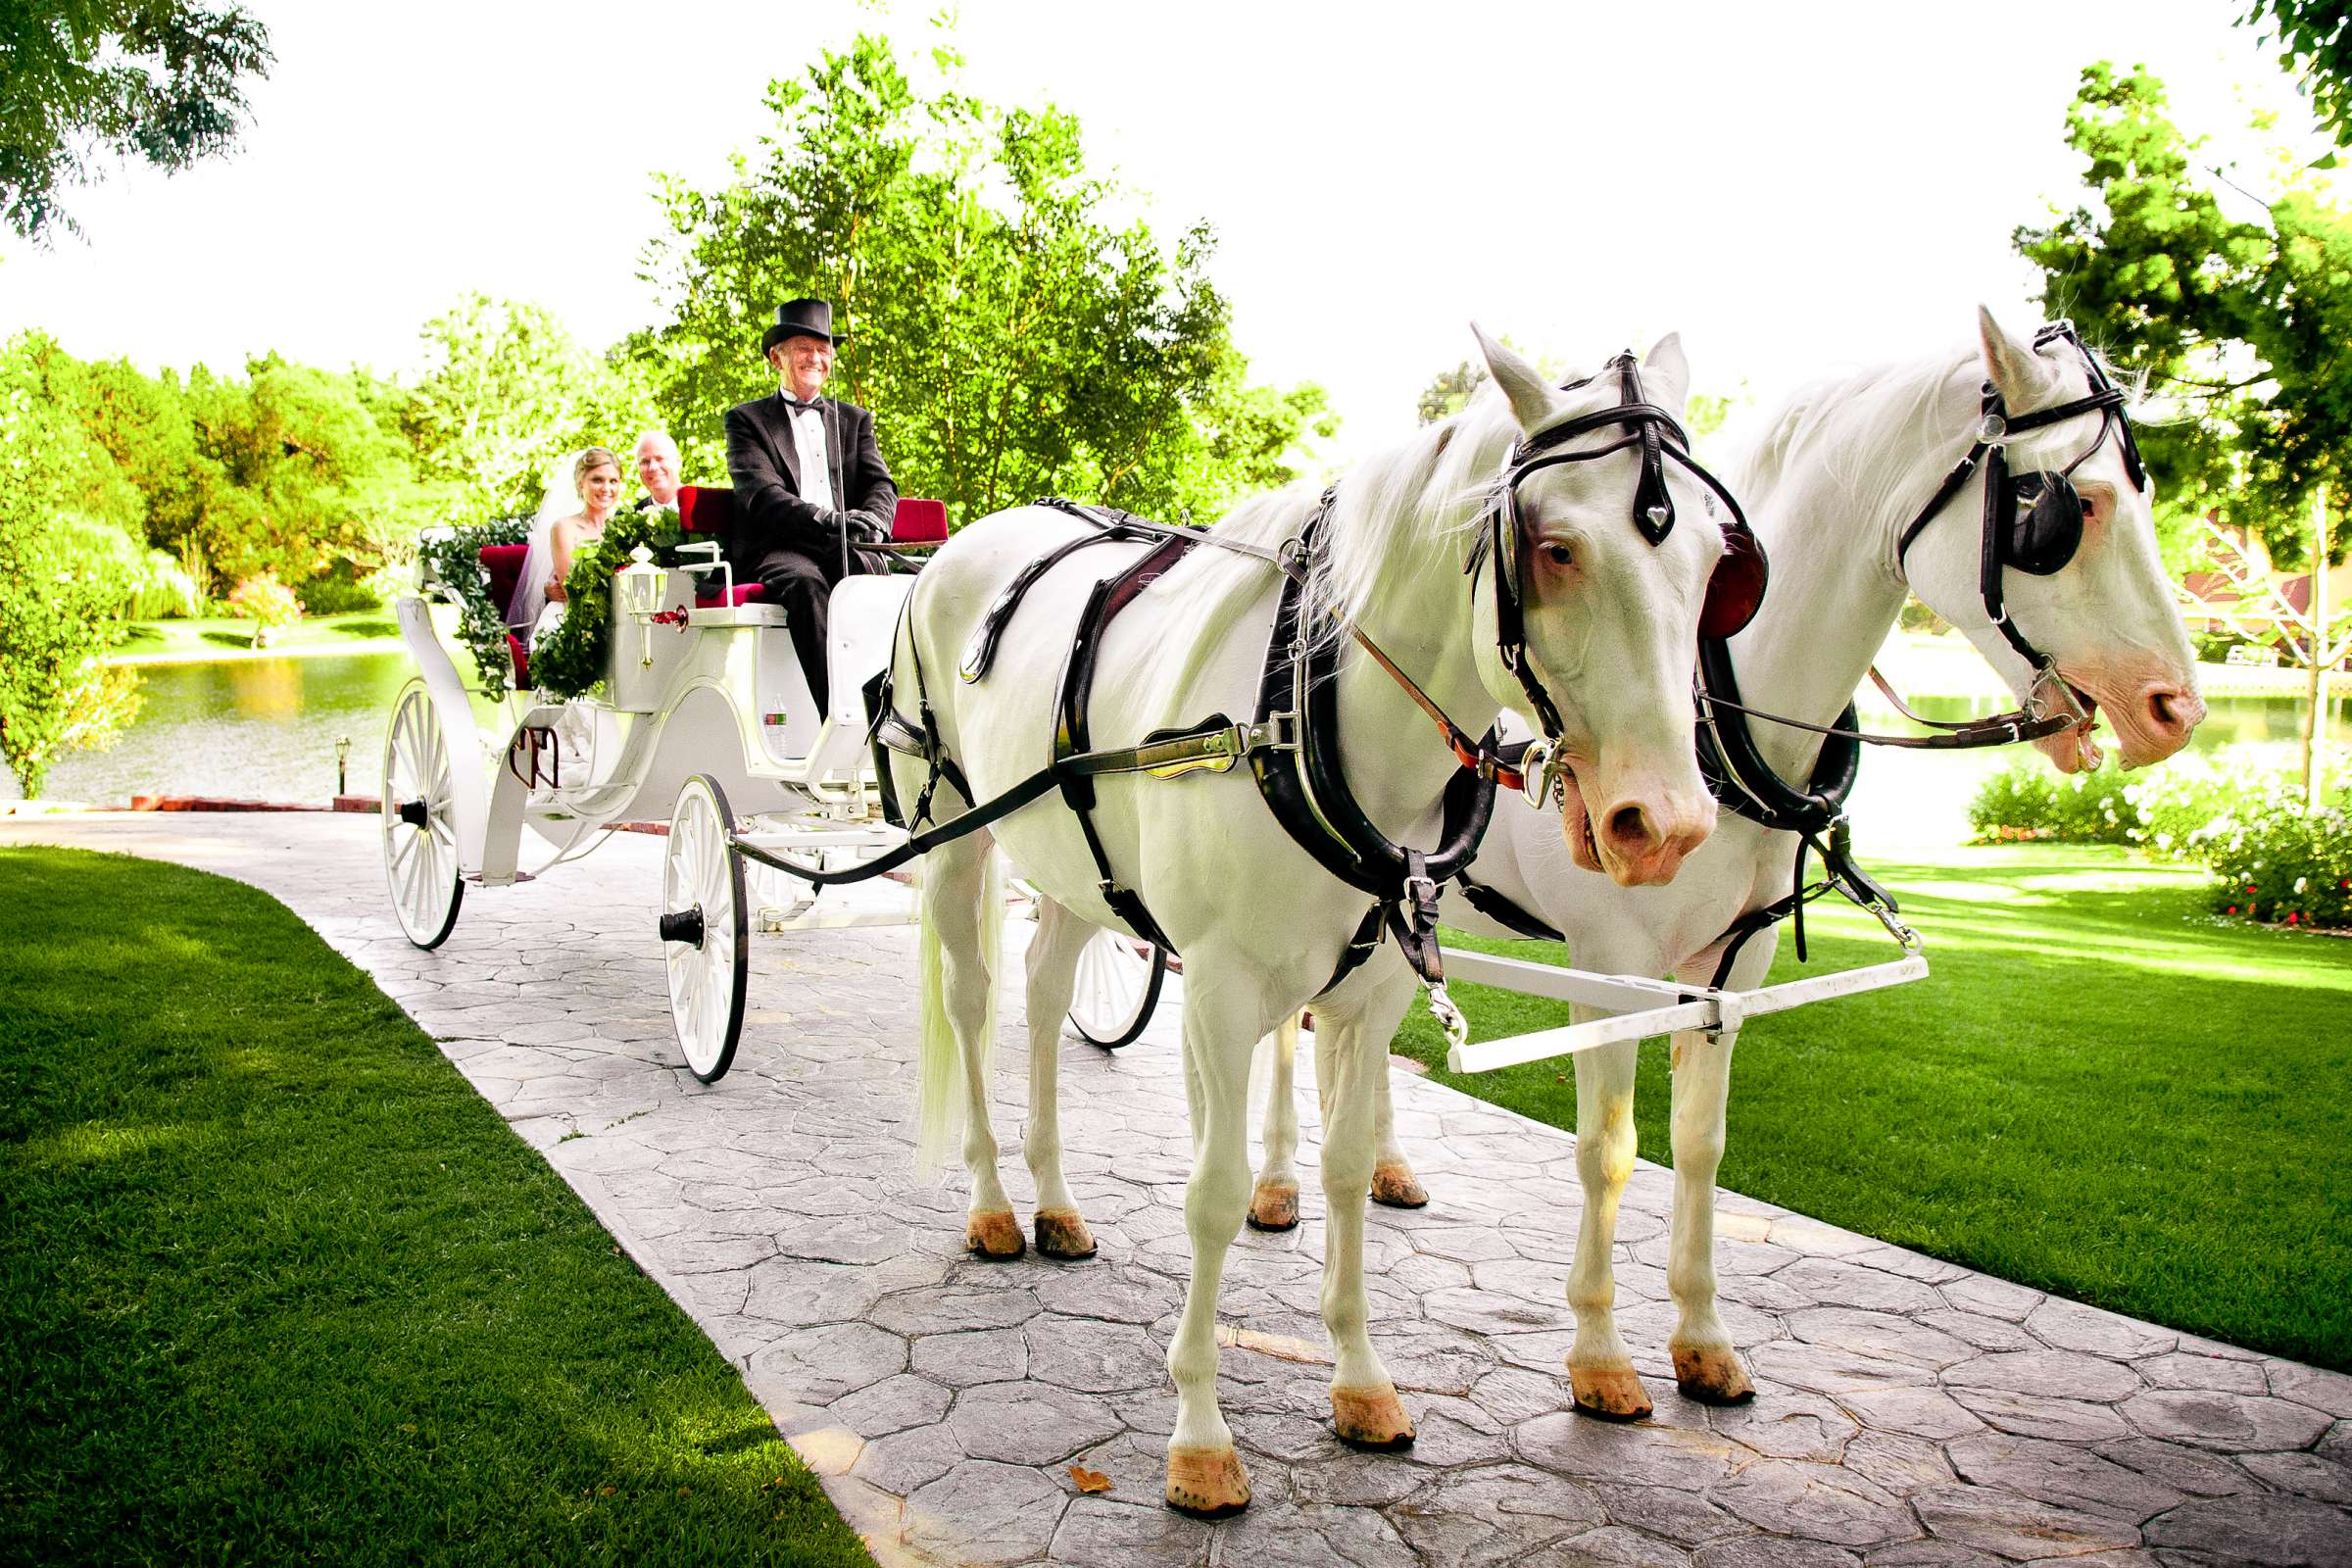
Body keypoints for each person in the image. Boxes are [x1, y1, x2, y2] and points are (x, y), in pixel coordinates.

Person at [723, 297, 898, 706]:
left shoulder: (855, 420)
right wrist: (827, 518)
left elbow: (881, 485)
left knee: (871, 577)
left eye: (823, 350)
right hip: (780, 546)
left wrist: (873, 521)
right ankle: (839, 711)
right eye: (804, 348)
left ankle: (896, 708)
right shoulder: (746, 420)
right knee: (805, 584)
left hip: (845, 542)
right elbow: (762, 495)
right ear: (776, 357)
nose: (815, 358)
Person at [511, 447, 623, 649]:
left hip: (619, 620)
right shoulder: (564, 527)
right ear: (581, 483)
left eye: (613, 481)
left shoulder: (623, 528)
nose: (606, 488)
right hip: (569, 621)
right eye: (597, 480)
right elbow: (571, 587)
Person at [633, 429, 681, 511]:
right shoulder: (626, 519)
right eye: (645, 461)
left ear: (678, 462)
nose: (652, 467)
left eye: (660, 459)